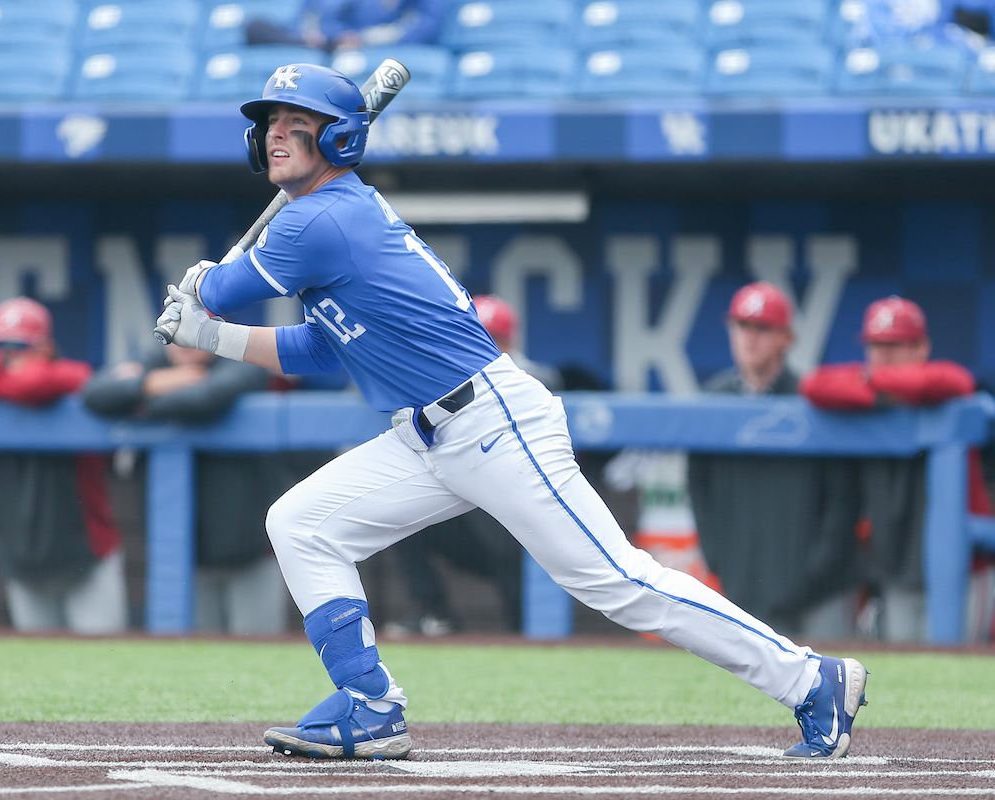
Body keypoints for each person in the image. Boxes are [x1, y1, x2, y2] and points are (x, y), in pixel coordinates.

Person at [157, 63, 867, 761]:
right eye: (271, 126)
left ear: (338, 138)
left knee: (613, 581)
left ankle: (811, 678)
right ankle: (370, 706)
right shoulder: (326, 219)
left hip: (492, 421)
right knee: (301, 522)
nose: (277, 135)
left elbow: (224, 289)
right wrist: (209, 336)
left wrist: (203, 291)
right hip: (425, 436)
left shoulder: (322, 218)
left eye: (296, 124)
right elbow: (319, 350)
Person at [0, 297, 128, 635]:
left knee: (101, 669)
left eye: (19, 346)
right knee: (40, 674)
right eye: (1, 346)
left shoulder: (69, 379)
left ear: (46, 347)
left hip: (87, 558)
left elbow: (39, 384)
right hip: (24, 561)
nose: (9, 355)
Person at [800, 296, 991, 642]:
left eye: (894, 345)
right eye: (876, 345)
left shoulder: (946, 394)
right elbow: (814, 385)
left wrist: (876, 385)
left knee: (961, 674)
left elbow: (956, 380)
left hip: (963, 570)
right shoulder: (862, 406)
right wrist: (880, 392)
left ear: (921, 347)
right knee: (909, 674)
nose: (883, 356)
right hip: (896, 569)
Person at [687, 283, 862, 640]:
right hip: (747, 592)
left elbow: (844, 499)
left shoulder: (813, 399)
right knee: (751, 694)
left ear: (786, 338)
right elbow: (699, 491)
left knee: (832, 687)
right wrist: (722, 563)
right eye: (741, 326)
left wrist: (817, 572)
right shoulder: (712, 401)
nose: (749, 338)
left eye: (762, 328)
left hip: (820, 592)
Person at [82, 344, 292, 635]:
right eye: (178, 334)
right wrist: (156, 382)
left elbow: (206, 399)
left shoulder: (241, 361)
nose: (186, 343)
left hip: (250, 548)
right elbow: (95, 394)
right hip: (189, 556)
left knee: (258, 652)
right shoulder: (154, 363)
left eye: (197, 333)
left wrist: (139, 402)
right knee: (197, 659)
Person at [386, 295, 557, 636]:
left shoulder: (533, 379)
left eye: (496, 338)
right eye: (479, 334)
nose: (487, 344)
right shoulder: (436, 374)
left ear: (511, 341)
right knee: (400, 514)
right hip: (471, 522)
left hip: (524, 525)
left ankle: (530, 638)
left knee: (525, 612)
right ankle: (433, 613)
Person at [247, 0, 446, 50]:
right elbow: (309, 13)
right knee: (254, 26)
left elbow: (422, 26)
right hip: (319, 43)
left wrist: (363, 39)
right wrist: (309, 35)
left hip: (365, 46)